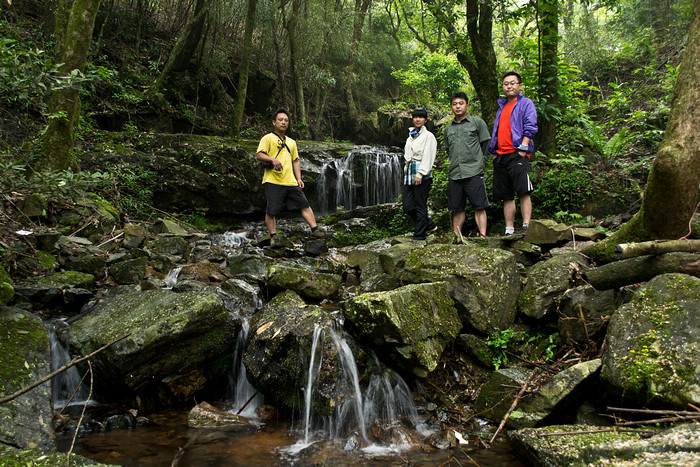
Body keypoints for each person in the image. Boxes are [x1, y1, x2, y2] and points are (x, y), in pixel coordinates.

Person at [256, 109, 321, 245]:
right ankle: (273, 236)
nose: (283, 122)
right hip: (273, 180)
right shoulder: (267, 138)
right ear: (274, 122)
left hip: (290, 181)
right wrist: (272, 160)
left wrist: (298, 178)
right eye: (280, 120)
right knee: (272, 210)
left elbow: (295, 161)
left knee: (304, 204)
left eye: (286, 120)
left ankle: (315, 230)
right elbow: (259, 155)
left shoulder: (291, 142)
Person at [488, 71, 538, 235]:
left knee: (523, 190)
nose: (509, 86)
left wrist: (523, 147)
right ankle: (509, 229)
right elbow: (497, 131)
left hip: (517, 153)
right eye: (505, 84)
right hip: (501, 155)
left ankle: (526, 226)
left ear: (519, 85)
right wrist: (494, 152)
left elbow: (530, 126)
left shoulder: (525, 104)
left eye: (512, 83)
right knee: (506, 194)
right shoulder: (501, 107)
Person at [444, 92, 491, 237]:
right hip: (455, 173)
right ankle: (456, 237)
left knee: (479, 206)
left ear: (467, 105)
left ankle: (483, 236)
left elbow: (486, 143)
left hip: (474, 171)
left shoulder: (477, 123)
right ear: (451, 107)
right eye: (454, 104)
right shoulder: (448, 129)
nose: (457, 107)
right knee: (457, 208)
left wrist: (480, 161)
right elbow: (448, 149)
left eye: (461, 103)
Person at [402, 108, 438, 240]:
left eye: (421, 117)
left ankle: (419, 235)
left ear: (425, 120)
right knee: (407, 206)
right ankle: (428, 224)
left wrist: (421, 173)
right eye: (416, 117)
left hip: (421, 173)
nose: (418, 119)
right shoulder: (410, 136)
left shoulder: (428, 136)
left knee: (420, 205)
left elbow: (429, 156)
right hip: (409, 173)